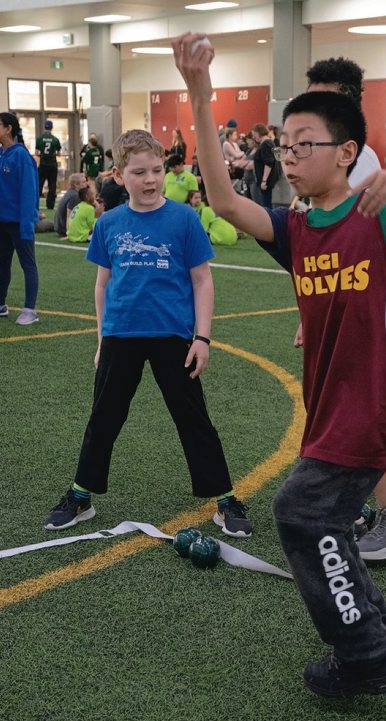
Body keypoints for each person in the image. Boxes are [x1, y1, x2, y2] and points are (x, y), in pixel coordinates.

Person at [173, 33, 386, 699]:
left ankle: (365, 654)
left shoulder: (380, 212)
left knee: (302, 513)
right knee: (319, 517)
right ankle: (379, 629)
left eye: (302, 141)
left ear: (345, 152)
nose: (288, 154)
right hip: (334, 397)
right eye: (284, 142)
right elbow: (224, 202)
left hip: (378, 396)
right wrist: (198, 90)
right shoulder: (301, 228)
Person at [44, 128, 252, 540]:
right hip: (121, 335)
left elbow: (202, 281)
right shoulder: (110, 223)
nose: (151, 179)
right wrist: (102, 338)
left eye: (156, 170)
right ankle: (81, 494)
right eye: (139, 172)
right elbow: (103, 285)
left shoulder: (184, 218)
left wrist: (202, 337)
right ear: (120, 175)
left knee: (193, 418)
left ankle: (225, 499)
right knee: (104, 417)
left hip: (173, 336)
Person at [296, 55, 386, 561]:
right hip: (340, 303)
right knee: (340, 407)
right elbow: (317, 244)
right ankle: (357, 504)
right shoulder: (321, 157)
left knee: (363, 413)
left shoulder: (361, 165)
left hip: (369, 310)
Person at [0, 112, 40, 325]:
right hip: (2, 222)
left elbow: (28, 193)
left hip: (19, 223)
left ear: (8, 128)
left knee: (28, 264)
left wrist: (26, 225)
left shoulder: (21, 156)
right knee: (2, 264)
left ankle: (30, 310)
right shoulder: (1, 154)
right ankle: (1, 304)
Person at [251, 123, 281, 209]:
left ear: (259, 132)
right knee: (266, 204)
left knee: (266, 206)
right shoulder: (267, 143)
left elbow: (268, 163)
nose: (253, 137)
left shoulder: (266, 144)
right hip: (266, 181)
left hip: (266, 182)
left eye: (254, 134)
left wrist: (264, 181)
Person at [35, 119, 61, 210]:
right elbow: (59, 153)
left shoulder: (40, 138)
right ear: (51, 128)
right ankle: (50, 205)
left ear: (44, 127)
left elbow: (37, 152)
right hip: (52, 164)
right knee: (52, 185)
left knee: (39, 184)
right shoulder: (55, 139)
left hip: (43, 164)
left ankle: (35, 203)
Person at [53, 172, 88, 238]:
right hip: (63, 228)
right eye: (83, 182)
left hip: (59, 225)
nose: (86, 184)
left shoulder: (70, 193)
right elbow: (70, 215)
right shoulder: (75, 196)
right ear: (76, 184)